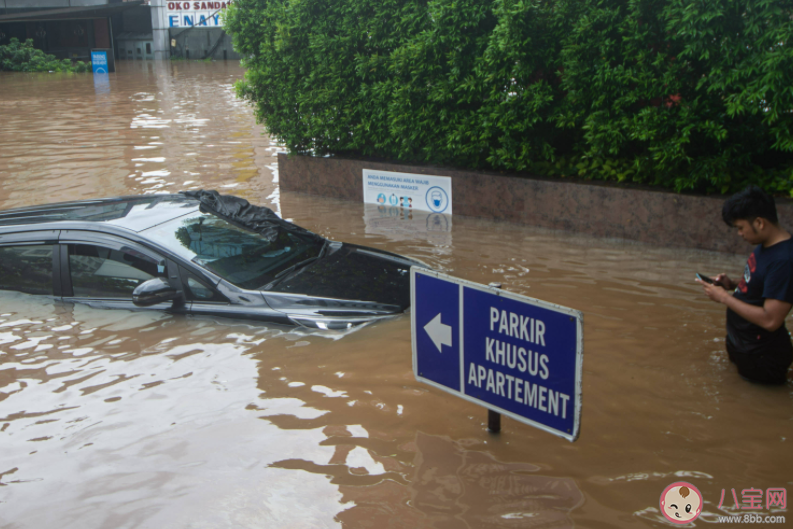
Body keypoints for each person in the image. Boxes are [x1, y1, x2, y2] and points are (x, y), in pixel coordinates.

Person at [698, 185, 793, 384]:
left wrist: (724, 298)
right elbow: (760, 285)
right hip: (744, 344)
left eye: (741, 227)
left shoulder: (785, 261)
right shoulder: (766, 246)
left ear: (759, 222)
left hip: (762, 356)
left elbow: (771, 320)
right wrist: (732, 284)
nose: (740, 233)